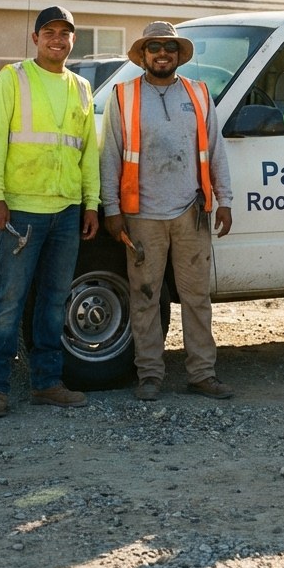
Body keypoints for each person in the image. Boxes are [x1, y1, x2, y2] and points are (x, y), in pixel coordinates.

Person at [100, 21, 235, 402]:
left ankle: (202, 374)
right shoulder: (123, 96)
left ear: (178, 56)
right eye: (154, 47)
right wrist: (112, 209)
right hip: (141, 216)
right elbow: (109, 155)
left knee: (196, 298)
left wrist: (224, 199)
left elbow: (216, 150)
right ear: (143, 56)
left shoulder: (197, 94)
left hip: (191, 213)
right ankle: (149, 375)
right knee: (145, 297)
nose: (162, 54)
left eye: (169, 48)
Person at [0, 5, 100, 418]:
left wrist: (91, 204)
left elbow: (89, 154)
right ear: (35, 38)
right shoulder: (12, 78)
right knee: (9, 300)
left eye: (65, 33)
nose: (57, 39)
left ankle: (47, 383)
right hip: (21, 215)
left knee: (53, 301)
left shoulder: (82, 88)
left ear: (72, 41)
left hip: (66, 211)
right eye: (49, 32)